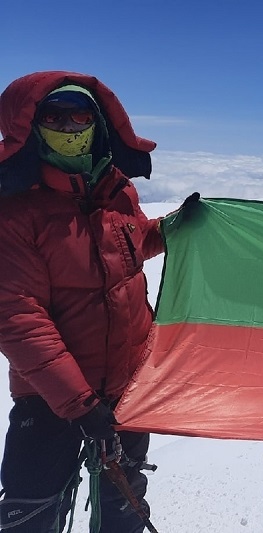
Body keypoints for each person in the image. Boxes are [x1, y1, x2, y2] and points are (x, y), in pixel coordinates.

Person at [0, 71, 163, 532]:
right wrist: (80, 404)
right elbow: (18, 319)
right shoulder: (14, 211)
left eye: (81, 116)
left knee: (124, 509)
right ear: (30, 124)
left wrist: (171, 230)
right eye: (55, 116)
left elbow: (128, 247)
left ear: (98, 122)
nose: (71, 128)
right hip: (52, 401)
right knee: (30, 515)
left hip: (128, 388)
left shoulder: (116, 190)